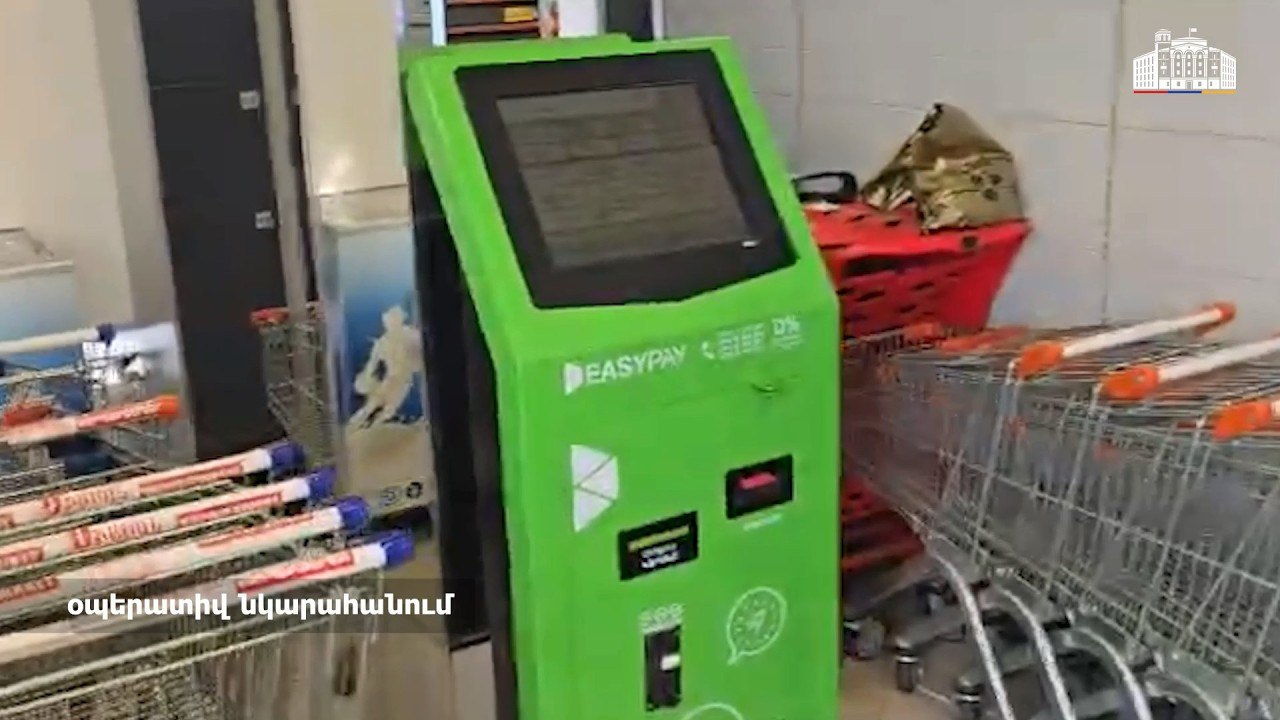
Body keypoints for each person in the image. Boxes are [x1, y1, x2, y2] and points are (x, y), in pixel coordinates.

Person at [349, 305, 421, 429]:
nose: (389, 324)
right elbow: (373, 362)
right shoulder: (384, 341)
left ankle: (372, 427)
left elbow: (419, 354)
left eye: (393, 320)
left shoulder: (410, 335)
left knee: (389, 408)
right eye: (388, 321)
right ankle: (358, 426)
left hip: (402, 379)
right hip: (390, 379)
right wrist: (368, 376)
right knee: (372, 405)